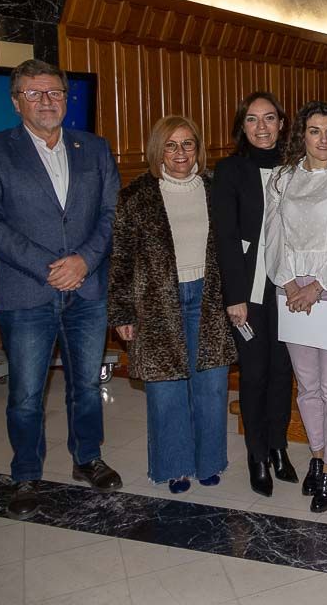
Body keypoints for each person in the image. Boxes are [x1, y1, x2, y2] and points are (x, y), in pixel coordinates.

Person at [0, 59, 123, 520]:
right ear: (17, 102)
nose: (46, 101)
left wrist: (85, 261)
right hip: (26, 291)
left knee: (86, 386)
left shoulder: (93, 148)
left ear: (65, 97)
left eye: (54, 92)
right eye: (34, 94)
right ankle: (26, 474)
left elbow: (112, 215)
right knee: (26, 393)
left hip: (88, 287)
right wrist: (49, 267)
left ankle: (87, 458)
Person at [108, 116, 236, 494]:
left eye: (188, 144)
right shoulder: (136, 197)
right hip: (157, 303)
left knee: (212, 386)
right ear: (158, 151)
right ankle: (175, 465)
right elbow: (120, 260)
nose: (180, 153)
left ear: (198, 149)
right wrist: (122, 312)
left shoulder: (217, 190)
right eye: (171, 145)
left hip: (209, 299)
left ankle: (209, 461)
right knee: (166, 390)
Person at [265, 102, 327, 513]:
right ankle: (318, 455)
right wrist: (287, 281)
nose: (323, 139)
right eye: (314, 131)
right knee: (306, 386)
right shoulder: (281, 177)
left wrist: (317, 286)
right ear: (300, 135)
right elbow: (273, 233)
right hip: (289, 288)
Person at [211, 92, 297, 497]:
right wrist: (235, 294)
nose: (262, 128)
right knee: (255, 373)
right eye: (251, 120)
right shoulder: (230, 170)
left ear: (282, 123)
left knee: (284, 372)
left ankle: (279, 447)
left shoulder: (299, 167)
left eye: (269, 118)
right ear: (241, 127)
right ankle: (256, 454)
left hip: (291, 289)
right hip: (250, 290)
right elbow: (225, 238)